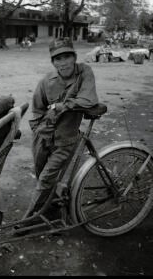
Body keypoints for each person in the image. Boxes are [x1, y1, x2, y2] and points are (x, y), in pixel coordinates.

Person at [21, 37, 99, 223]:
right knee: (42, 177)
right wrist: (38, 130)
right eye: (58, 59)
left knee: (46, 179)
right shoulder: (47, 81)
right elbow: (37, 108)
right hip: (43, 137)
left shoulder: (84, 72)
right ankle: (52, 211)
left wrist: (61, 106)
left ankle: (27, 220)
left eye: (66, 57)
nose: (63, 63)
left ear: (74, 57)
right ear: (53, 62)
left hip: (66, 139)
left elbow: (89, 100)